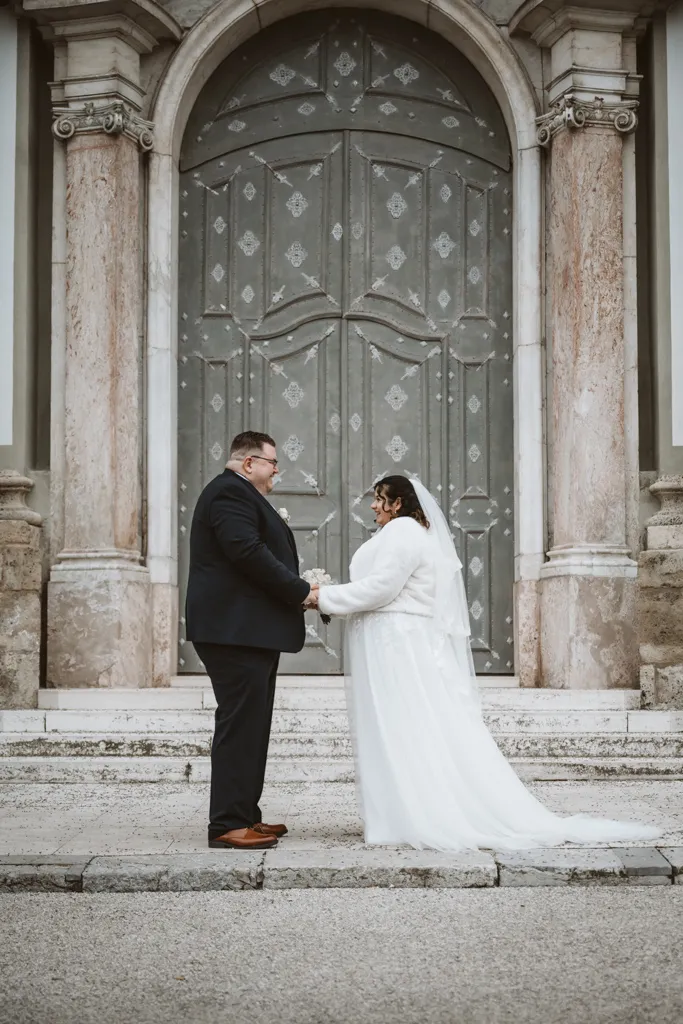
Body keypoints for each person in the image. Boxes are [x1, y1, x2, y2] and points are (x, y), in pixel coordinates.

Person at [307, 475, 661, 852]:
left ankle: (415, 815)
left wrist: (322, 597)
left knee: (404, 725)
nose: (374, 506)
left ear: (397, 503)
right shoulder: (405, 533)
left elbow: (383, 588)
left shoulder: (405, 532)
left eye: (379, 499)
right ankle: (400, 813)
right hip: (393, 641)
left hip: (399, 646)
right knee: (398, 726)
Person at [186, 431, 316, 849]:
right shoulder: (229, 494)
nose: (277, 470)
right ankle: (226, 823)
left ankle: (246, 814)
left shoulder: (239, 493)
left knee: (253, 726)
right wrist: (299, 590)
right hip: (233, 631)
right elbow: (246, 551)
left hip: (247, 631)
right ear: (248, 463)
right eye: (273, 463)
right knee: (239, 725)